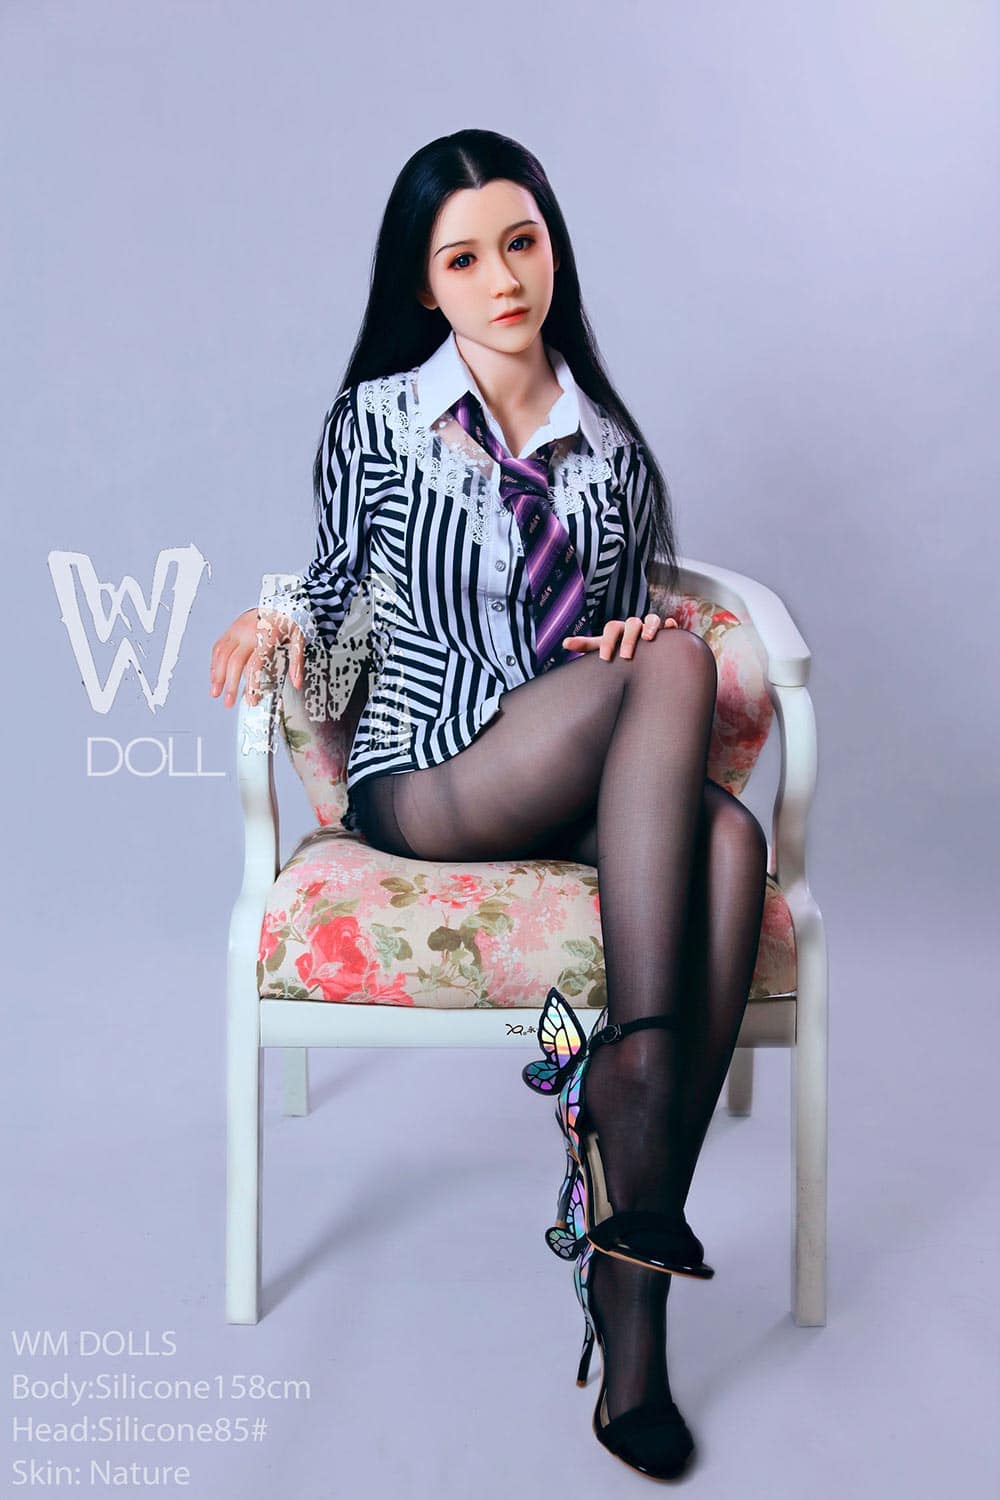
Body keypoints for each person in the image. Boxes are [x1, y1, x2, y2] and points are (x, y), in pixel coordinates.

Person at [209, 128, 768, 1482]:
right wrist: (274, 618)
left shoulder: (612, 455)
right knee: (682, 672)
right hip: (432, 775)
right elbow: (337, 585)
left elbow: (609, 651)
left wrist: (631, 641)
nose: (503, 279)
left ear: (552, 251)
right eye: (464, 259)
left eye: (521, 243)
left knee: (730, 839)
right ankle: (639, 1072)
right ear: (425, 286)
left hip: (558, 770)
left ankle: (632, 1291)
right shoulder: (381, 421)